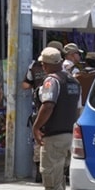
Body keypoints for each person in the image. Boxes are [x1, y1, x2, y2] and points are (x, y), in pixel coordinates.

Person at [29, 46, 81, 190]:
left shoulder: (52, 81)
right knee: (59, 177)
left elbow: (48, 106)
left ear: (46, 64)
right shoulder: (74, 81)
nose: (41, 65)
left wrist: (36, 127)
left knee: (50, 176)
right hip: (69, 134)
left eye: (42, 63)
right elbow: (78, 109)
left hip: (54, 136)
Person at [22, 40, 64, 182]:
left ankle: (40, 172)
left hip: (39, 107)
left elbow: (25, 85)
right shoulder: (62, 73)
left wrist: (37, 87)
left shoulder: (33, 66)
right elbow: (49, 105)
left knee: (40, 141)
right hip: (56, 111)